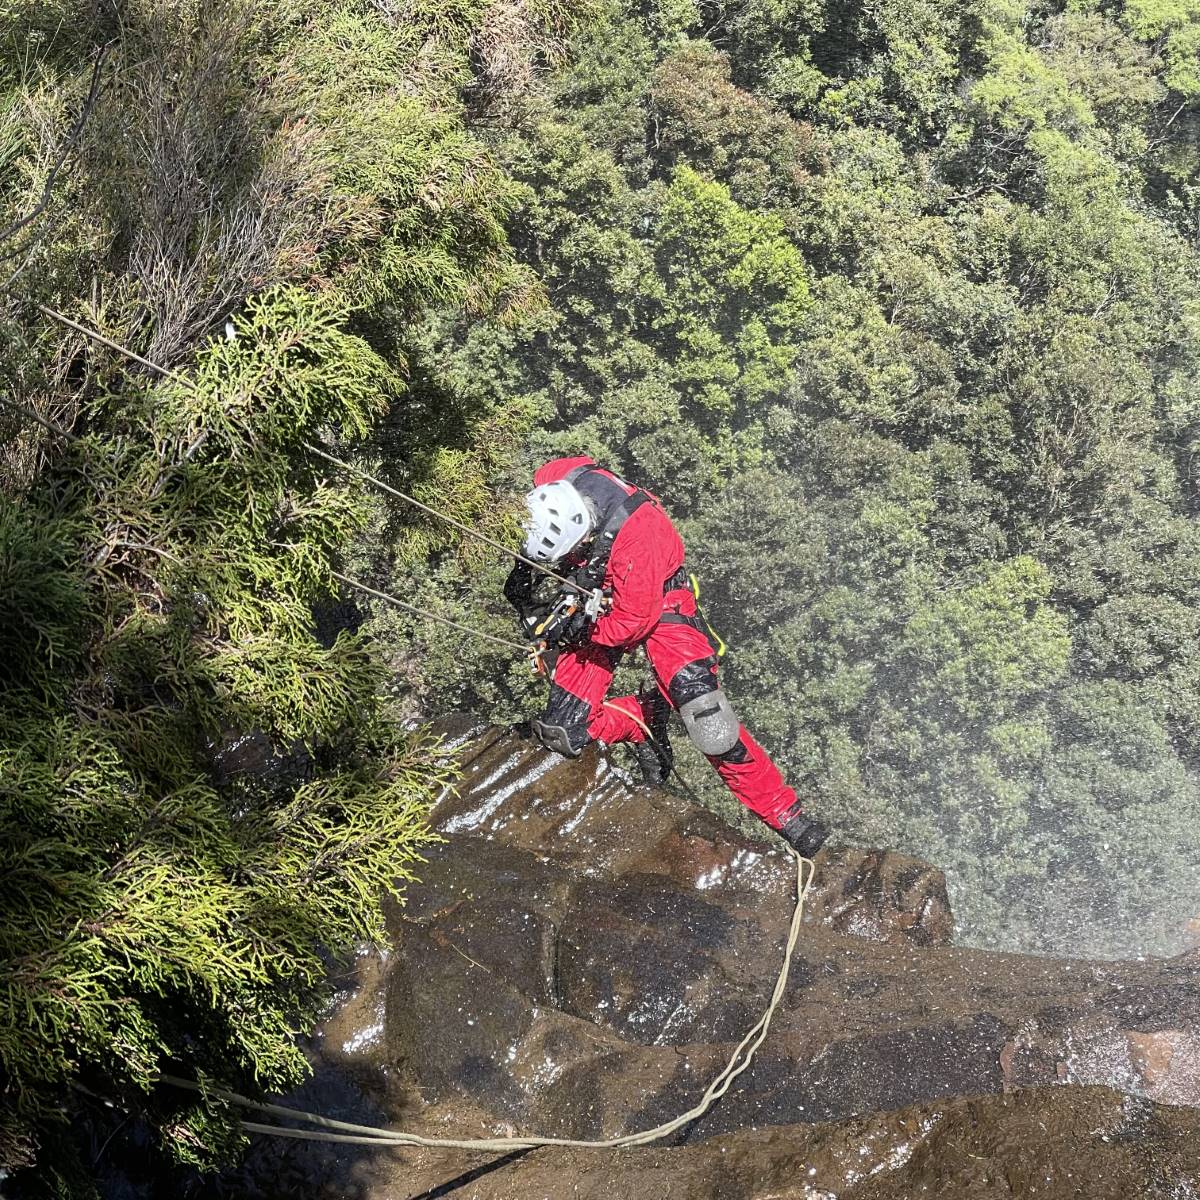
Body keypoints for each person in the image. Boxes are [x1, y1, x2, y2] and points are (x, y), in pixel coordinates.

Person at [504, 455, 829, 857]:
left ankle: (787, 815)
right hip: (597, 594)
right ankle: (639, 718)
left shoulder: (639, 537)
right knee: (564, 732)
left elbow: (630, 624)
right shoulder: (554, 479)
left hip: (658, 598)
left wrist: (577, 630)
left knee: (707, 715)